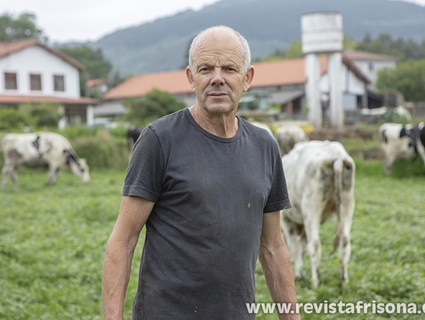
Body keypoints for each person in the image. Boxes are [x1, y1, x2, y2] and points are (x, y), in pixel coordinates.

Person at [102, 25, 299, 320]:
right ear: (191, 78)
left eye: (229, 69)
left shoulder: (264, 145)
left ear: (247, 79)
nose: (217, 79)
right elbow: (123, 240)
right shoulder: (160, 140)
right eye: (206, 68)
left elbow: (272, 248)